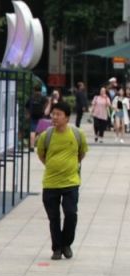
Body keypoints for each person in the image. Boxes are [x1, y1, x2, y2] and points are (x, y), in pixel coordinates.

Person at [37, 100, 87, 260]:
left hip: (71, 182)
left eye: (58, 114)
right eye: (53, 114)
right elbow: (41, 154)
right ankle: (57, 248)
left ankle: (66, 244)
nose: (54, 117)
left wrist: (70, 165)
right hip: (50, 183)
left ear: (67, 117)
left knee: (71, 214)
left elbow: (81, 153)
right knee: (54, 218)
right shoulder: (46, 136)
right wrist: (52, 165)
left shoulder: (77, 134)